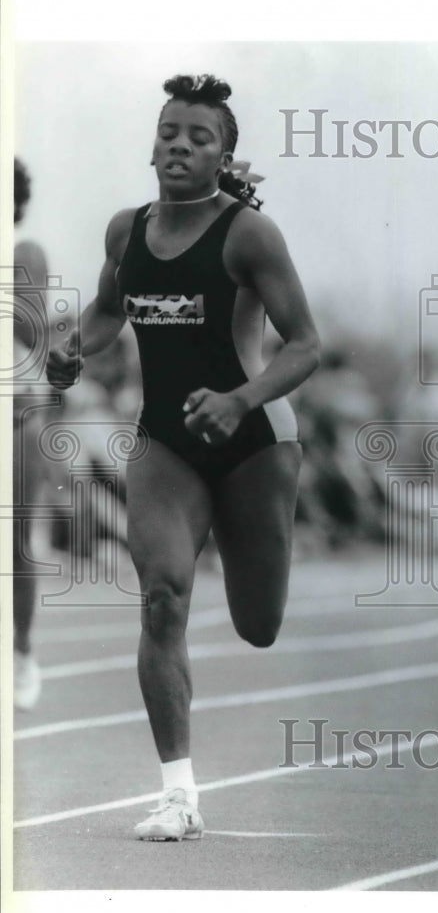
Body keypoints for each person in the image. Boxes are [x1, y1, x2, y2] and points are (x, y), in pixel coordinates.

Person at [47, 74, 321, 841]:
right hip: (166, 439)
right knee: (162, 596)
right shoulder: (125, 231)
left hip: (256, 442)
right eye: (171, 131)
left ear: (224, 156)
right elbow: (109, 310)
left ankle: (259, 541)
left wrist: (239, 400)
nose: (180, 145)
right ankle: (179, 795)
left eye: (200, 137)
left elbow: (307, 345)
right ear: (154, 140)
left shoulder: (249, 237)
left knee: (257, 624)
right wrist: (75, 348)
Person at [13, 157, 51, 710]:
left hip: (13, 405)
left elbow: (30, 326)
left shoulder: (24, 254)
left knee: (15, 540)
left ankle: (20, 650)